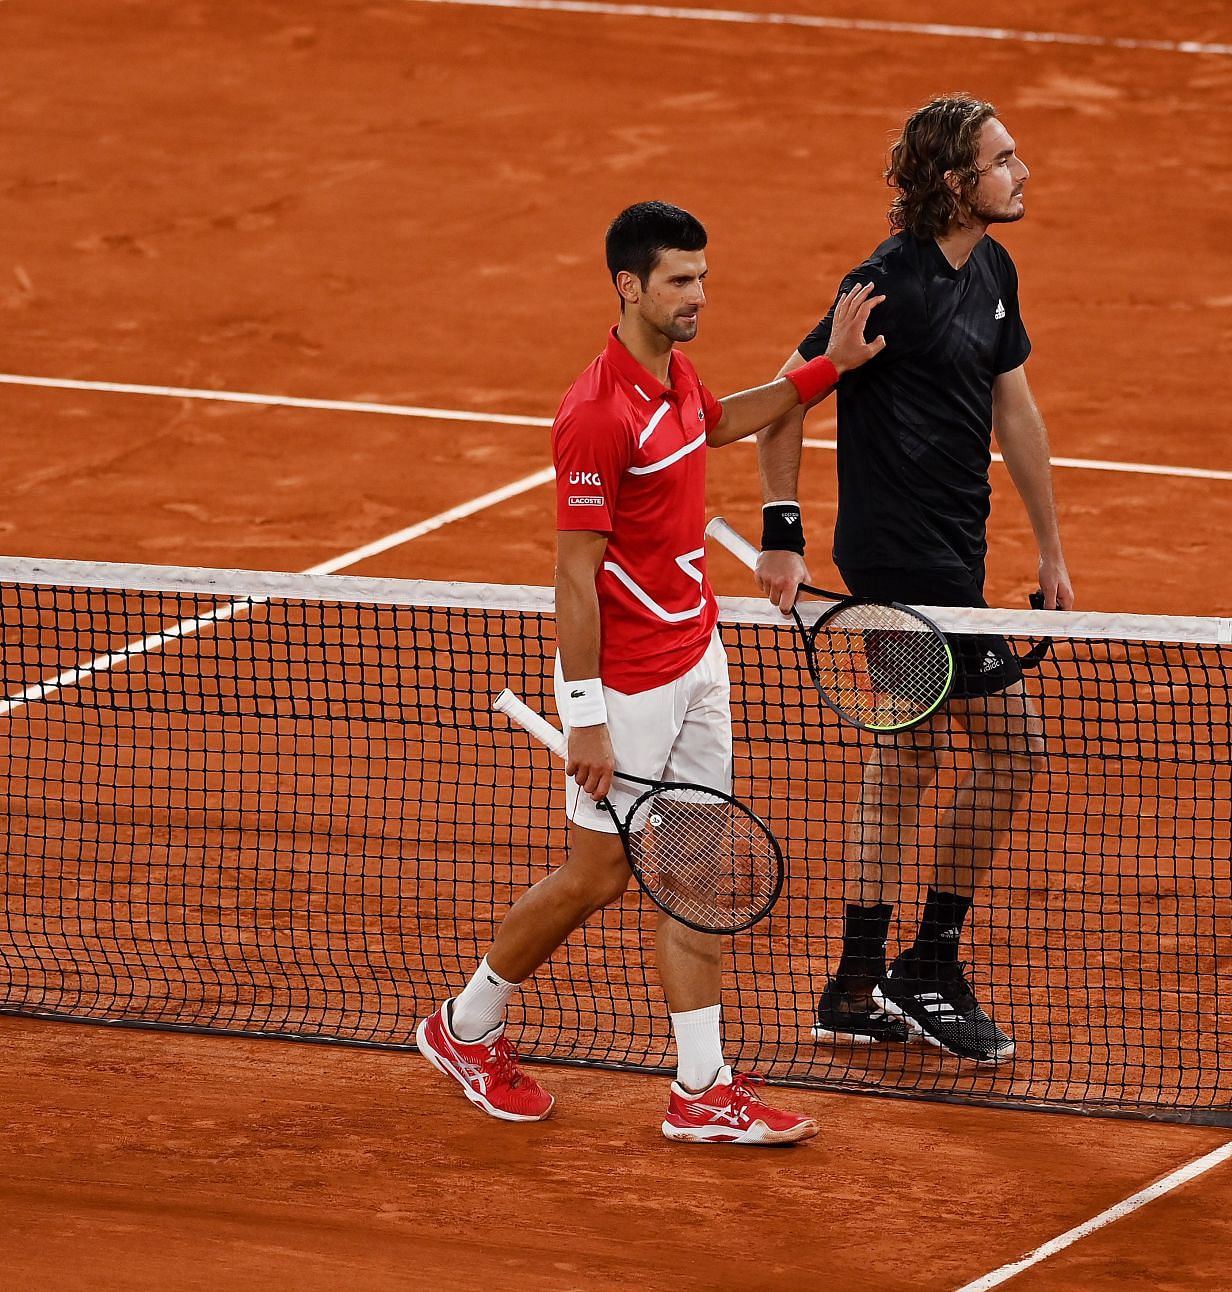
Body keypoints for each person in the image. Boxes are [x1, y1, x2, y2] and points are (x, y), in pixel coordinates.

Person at [417, 201, 884, 1142]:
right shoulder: (596, 414)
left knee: (697, 873)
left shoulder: (675, 379)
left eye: (703, 277)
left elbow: (727, 421)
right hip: (623, 682)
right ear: (629, 284)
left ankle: (700, 1087)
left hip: (697, 657)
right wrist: (585, 716)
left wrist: (827, 369)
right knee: (598, 877)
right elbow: (573, 576)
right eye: (679, 279)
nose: (697, 295)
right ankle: (466, 1027)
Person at [754, 95, 1073, 1065]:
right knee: (1013, 749)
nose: (1023, 172)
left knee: (907, 760)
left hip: (957, 556)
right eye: (1003, 160)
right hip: (901, 564)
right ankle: (925, 964)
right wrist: (781, 531)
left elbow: (1012, 410)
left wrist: (1052, 550)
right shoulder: (884, 285)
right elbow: (784, 393)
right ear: (953, 182)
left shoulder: (992, 268)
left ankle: (855, 983)